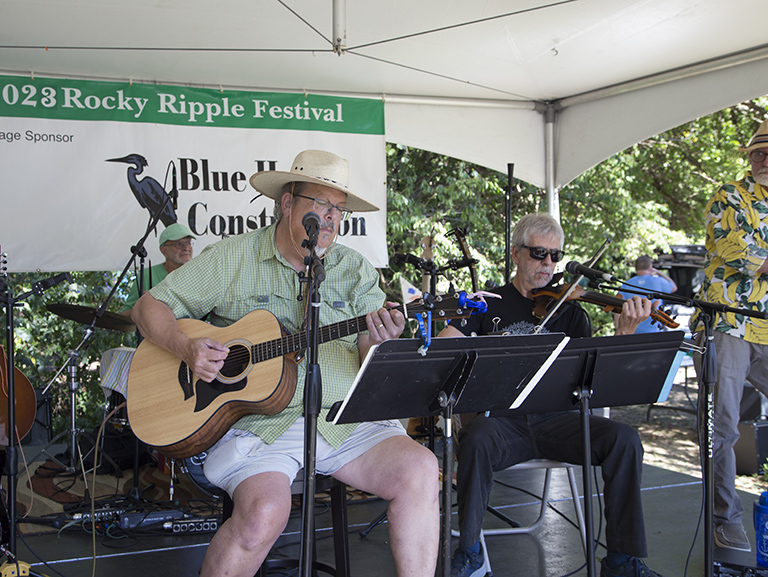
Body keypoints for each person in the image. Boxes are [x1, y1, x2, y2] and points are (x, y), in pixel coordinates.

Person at [131, 150, 440, 577]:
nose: (330, 218)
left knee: (421, 469)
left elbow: (371, 351)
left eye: (338, 209)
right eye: (321, 205)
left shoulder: (354, 268)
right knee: (265, 513)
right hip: (260, 426)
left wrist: (381, 340)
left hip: (343, 420)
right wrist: (185, 347)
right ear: (287, 203)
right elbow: (149, 307)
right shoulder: (232, 258)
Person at [440, 213, 664, 577]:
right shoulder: (488, 303)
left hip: (559, 420)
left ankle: (623, 560)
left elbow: (597, 382)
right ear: (516, 253)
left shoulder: (572, 313)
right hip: (503, 423)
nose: (548, 264)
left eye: (555, 256)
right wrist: (451, 328)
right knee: (476, 438)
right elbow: (444, 354)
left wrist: (623, 335)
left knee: (624, 439)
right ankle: (469, 552)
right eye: (538, 253)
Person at [692, 117, 768, 551]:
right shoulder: (729, 196)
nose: (767, 160)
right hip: (728, 324)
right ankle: (725, 518)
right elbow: (751, 258)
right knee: (723, 428)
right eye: (759, 152)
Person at [119, 222, 195, 317]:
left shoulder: (200, 276)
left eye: (188, 242)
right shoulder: (147, 275)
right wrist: (145, 307)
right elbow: (124, 316)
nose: (186, 248)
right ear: (164, 251)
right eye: (179, 244)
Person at [614, 255, 677, 334]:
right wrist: (658, 272)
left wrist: (617, 329)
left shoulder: (627, 284)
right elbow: (674, 287)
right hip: (653, 332)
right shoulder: (658, 281)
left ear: (636, 268)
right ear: (650, 267)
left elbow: (618, 310)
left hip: (631, 331)